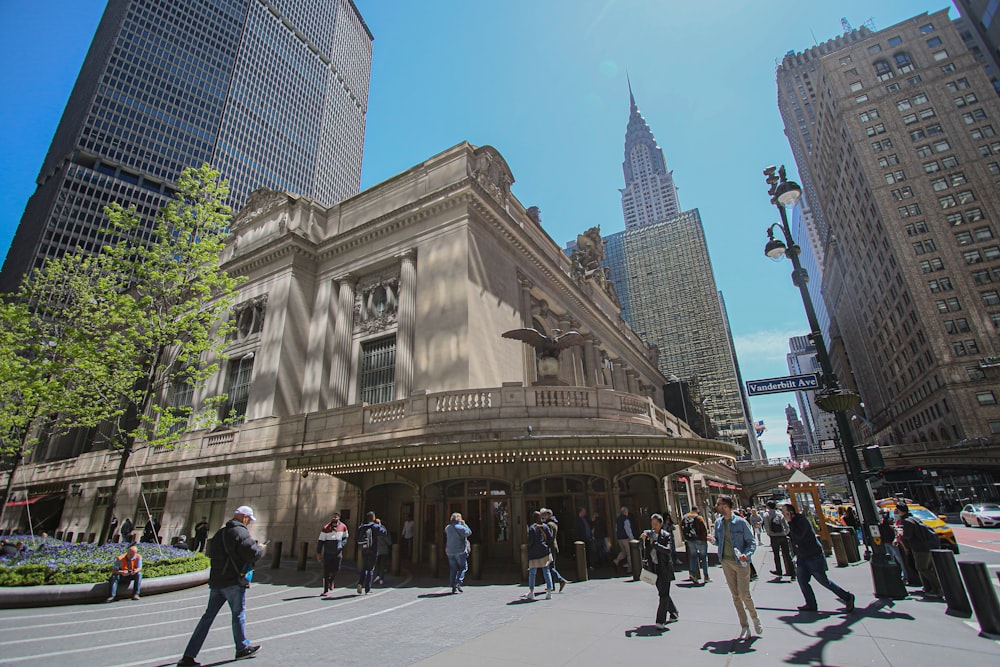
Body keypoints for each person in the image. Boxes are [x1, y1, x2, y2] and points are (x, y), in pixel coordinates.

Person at [176, 506, 264, 666]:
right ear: (244, 517)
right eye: (249, 520)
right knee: (238, 615)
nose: (249, 523)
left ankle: (188, 656)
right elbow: (251, 553)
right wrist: (260, 550)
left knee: (207, 618)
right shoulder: (241, 533)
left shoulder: (220, 533)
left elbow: (212, 555)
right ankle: (242, 648)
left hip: (217, 582)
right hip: (233, 581)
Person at [783, 503, 855, 613]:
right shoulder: (792, 522)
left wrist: (790, 523)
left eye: (785, 512)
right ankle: (811, 603)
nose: (783, 514)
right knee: (802, 580)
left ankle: (847, 597)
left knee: (824, 581)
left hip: (813, 555)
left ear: (791, 513)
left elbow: (798, 536)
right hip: (802, 556)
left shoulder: (801, 521)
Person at [712, 495, 761, 641]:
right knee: (735, 596)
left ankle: (755, 617)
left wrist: (747, 554)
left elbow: (751, 542)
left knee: (744, 594)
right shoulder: (718, 523)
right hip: (726, 562)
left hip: (740, 563)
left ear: (726, 506)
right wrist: (712, 540)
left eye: (719, 504)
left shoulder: (740, 522)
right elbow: (718, 541)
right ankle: (745, 626)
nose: (717, 506)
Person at [896, 502, 943, 598]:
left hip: (920, 548)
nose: (895, 512)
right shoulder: (914, 518)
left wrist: (900, 533)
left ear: (901, 510)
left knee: (922, 567)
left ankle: (938, 588)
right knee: (927, 568)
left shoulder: (907, 521)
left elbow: (907, 536)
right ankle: (930, 587)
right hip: (926, 546)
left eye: (897, 510)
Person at [642, 513, 678, 629]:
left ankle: (660, 620)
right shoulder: (649, 534)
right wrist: (642, 540)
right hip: (654, 568)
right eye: (652, 524)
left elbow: (668, 550)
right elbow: (641, 548)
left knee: (664, 594)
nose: (654, 526)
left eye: (656, 524)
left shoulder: (666, 535)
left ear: (661, 524)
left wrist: (655, 544)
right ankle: (674, 612)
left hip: (665, 568)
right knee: (663, 593)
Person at [316, 512, 349, 597]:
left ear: (339, 518)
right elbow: (321, 541)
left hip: (337, 553)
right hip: (328, 553)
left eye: (336, 518)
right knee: (326, 571)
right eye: (333, 518)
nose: (334, 520)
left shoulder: (343, 527)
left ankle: (331, 580)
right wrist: (319, 552)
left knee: (337, 569)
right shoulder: (325, 528)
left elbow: (345, 537)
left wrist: (342, 544)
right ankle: (325, 590)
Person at [524, 511, 554, 600]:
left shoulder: (532, 528)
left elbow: (531, 541)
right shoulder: (545, 526)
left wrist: (529, 547)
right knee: (546, 571)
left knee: (532, 572)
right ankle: (549, 592)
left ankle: (531, 592)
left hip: (534, 553)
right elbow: (550, 538)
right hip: (544, 551)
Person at [355, 511, 386, 595]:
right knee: (370, 569)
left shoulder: (362, 527)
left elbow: (357, 537)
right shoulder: (375, 526)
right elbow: (384, 532)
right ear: (373, 518)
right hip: (373, 550)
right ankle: (367, 589)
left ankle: (360, 583)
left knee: (364, 567)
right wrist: (380, 524)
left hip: (364, 549)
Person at [763, 500, 795, 581]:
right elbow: (786, 525)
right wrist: (785, 533)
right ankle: (792, 572)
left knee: (776, 555)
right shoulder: (780, 514)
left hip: (774, 537)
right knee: (787, 554)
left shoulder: (766, 514)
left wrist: (770, 534)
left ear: (768, 507)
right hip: (783, 536)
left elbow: (767, 527)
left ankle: (779, 570)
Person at [540, 508, 568, 592]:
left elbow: (549, 537)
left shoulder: (550, 524)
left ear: (549, 515)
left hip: (550, 547)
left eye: (545, 515)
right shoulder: (553, 523)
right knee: (552, 565)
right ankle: (552, 586)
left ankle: (560, 580)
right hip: (553, 547)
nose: (544, 516)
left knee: (549, 566)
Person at [444, 512, 472, 594]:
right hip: (460, 551)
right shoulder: (461, 527)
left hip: (449, 551)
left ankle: (453, 585)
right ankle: (458, 582)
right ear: (459, 519)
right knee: (463, 567)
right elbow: (469, 532)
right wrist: (464, 524)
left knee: (453, 568)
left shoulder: (447, 528)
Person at [681, 506, 710, 583]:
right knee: (703, 557)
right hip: (700, 540)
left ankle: (692, 574)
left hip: (690, 540)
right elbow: (704, 529)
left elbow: (683, 528)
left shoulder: (685, 517)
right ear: (697, 510)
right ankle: (706, 576)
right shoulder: (699, 518)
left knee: (693, 557)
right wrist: (705, 538)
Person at [613, 506, 638, 574]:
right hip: (625, 538)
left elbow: (616, 529)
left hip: (619, 538)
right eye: (627, 512)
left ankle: (616, 560)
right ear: (625, 512)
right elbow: (628, 530)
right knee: (629, 553)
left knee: (623, 552)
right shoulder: (626, 520)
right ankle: (630, 568)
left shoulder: (618, 519)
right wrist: (632, 538)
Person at [373, 519, 393, 584]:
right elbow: (388, 541)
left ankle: (377, 576)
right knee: (382, 565)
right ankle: (381, 578)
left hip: (376, 550)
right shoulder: (383, 530)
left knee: (377, 565)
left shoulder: (372, 530)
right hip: (383, 550)